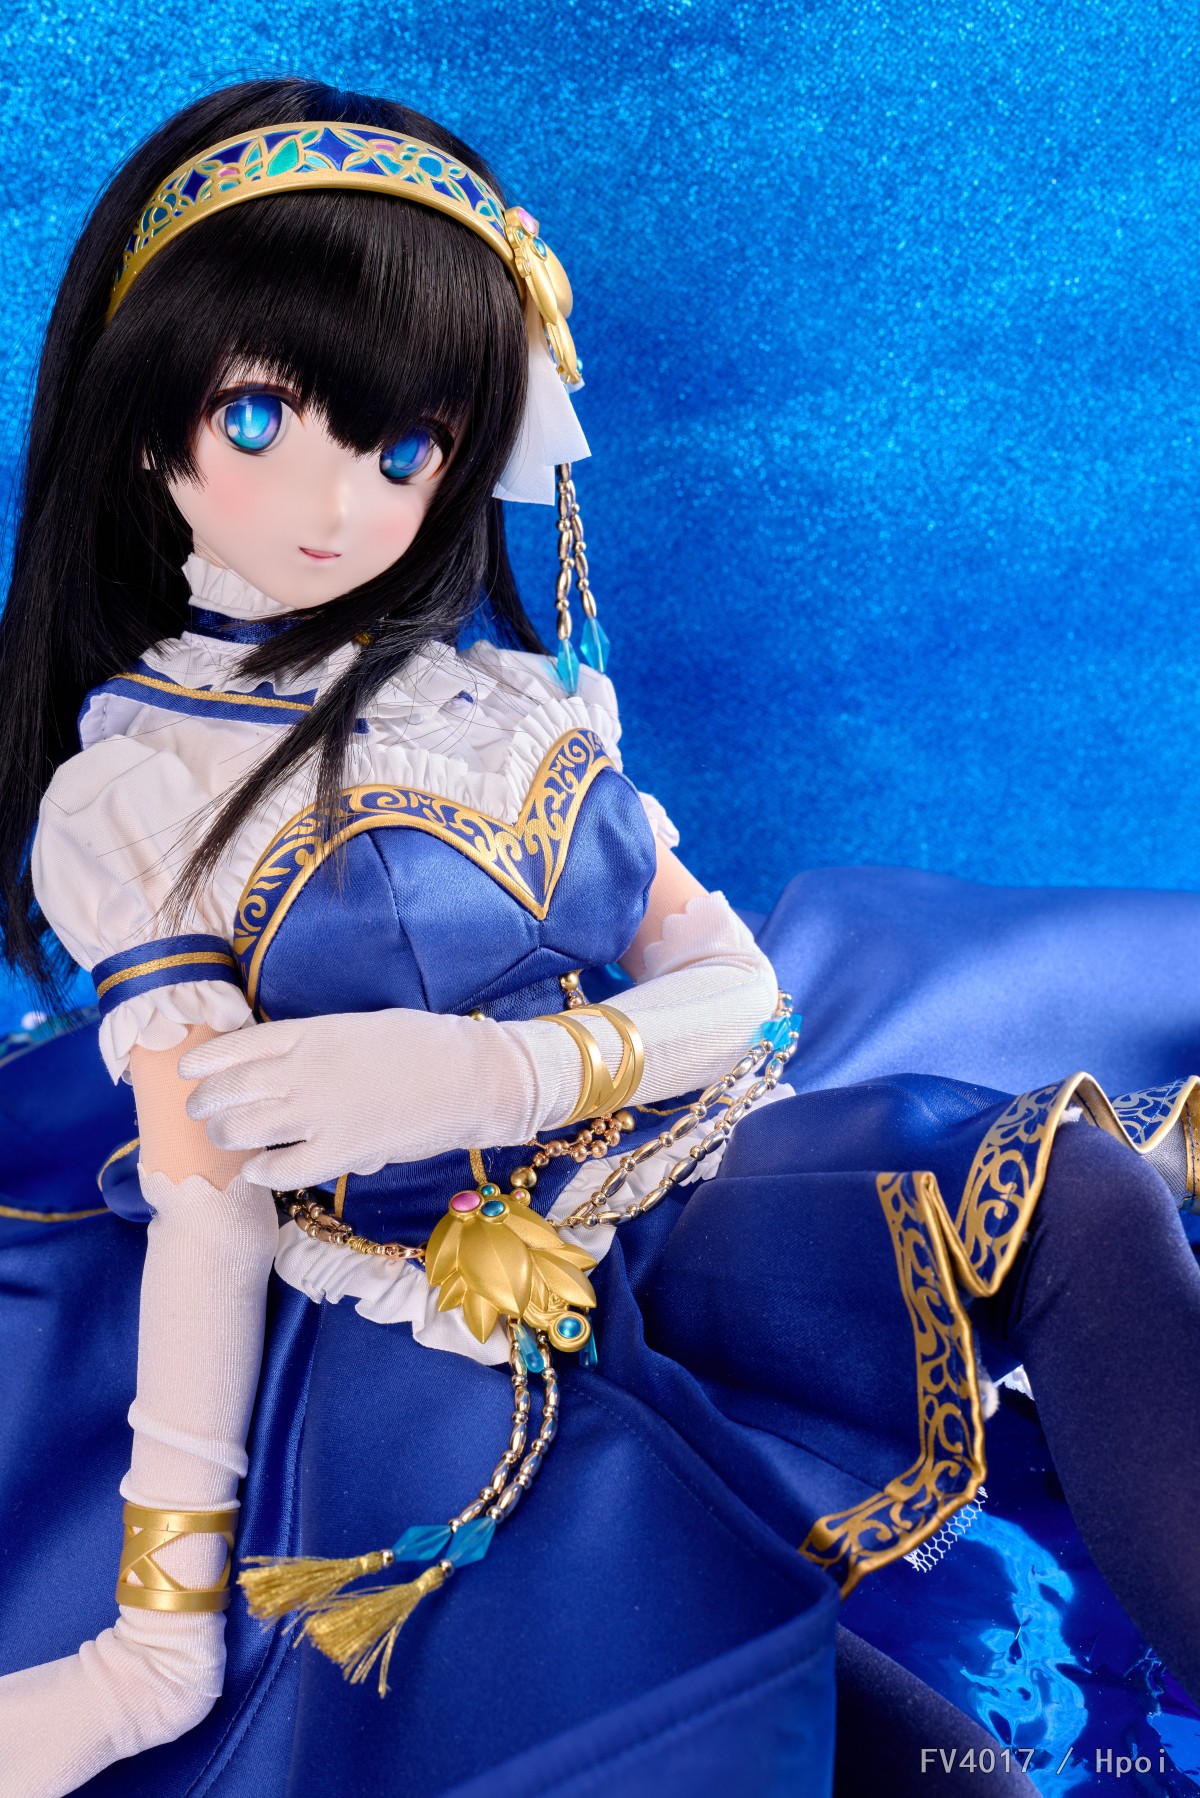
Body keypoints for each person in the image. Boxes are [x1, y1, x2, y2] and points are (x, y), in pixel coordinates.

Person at [0, 76, 1197, 1798]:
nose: (334, 501)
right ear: (146, 426)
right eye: (259, 417)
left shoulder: (505, 708)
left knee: (1067, 1192)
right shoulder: (138, 797)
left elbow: (739, 993)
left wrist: (500, 1070)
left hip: (653, 1189)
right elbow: (211, 1208)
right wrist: (154, 1643)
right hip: (414, 1336)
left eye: (403, 449)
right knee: (811, 1713)